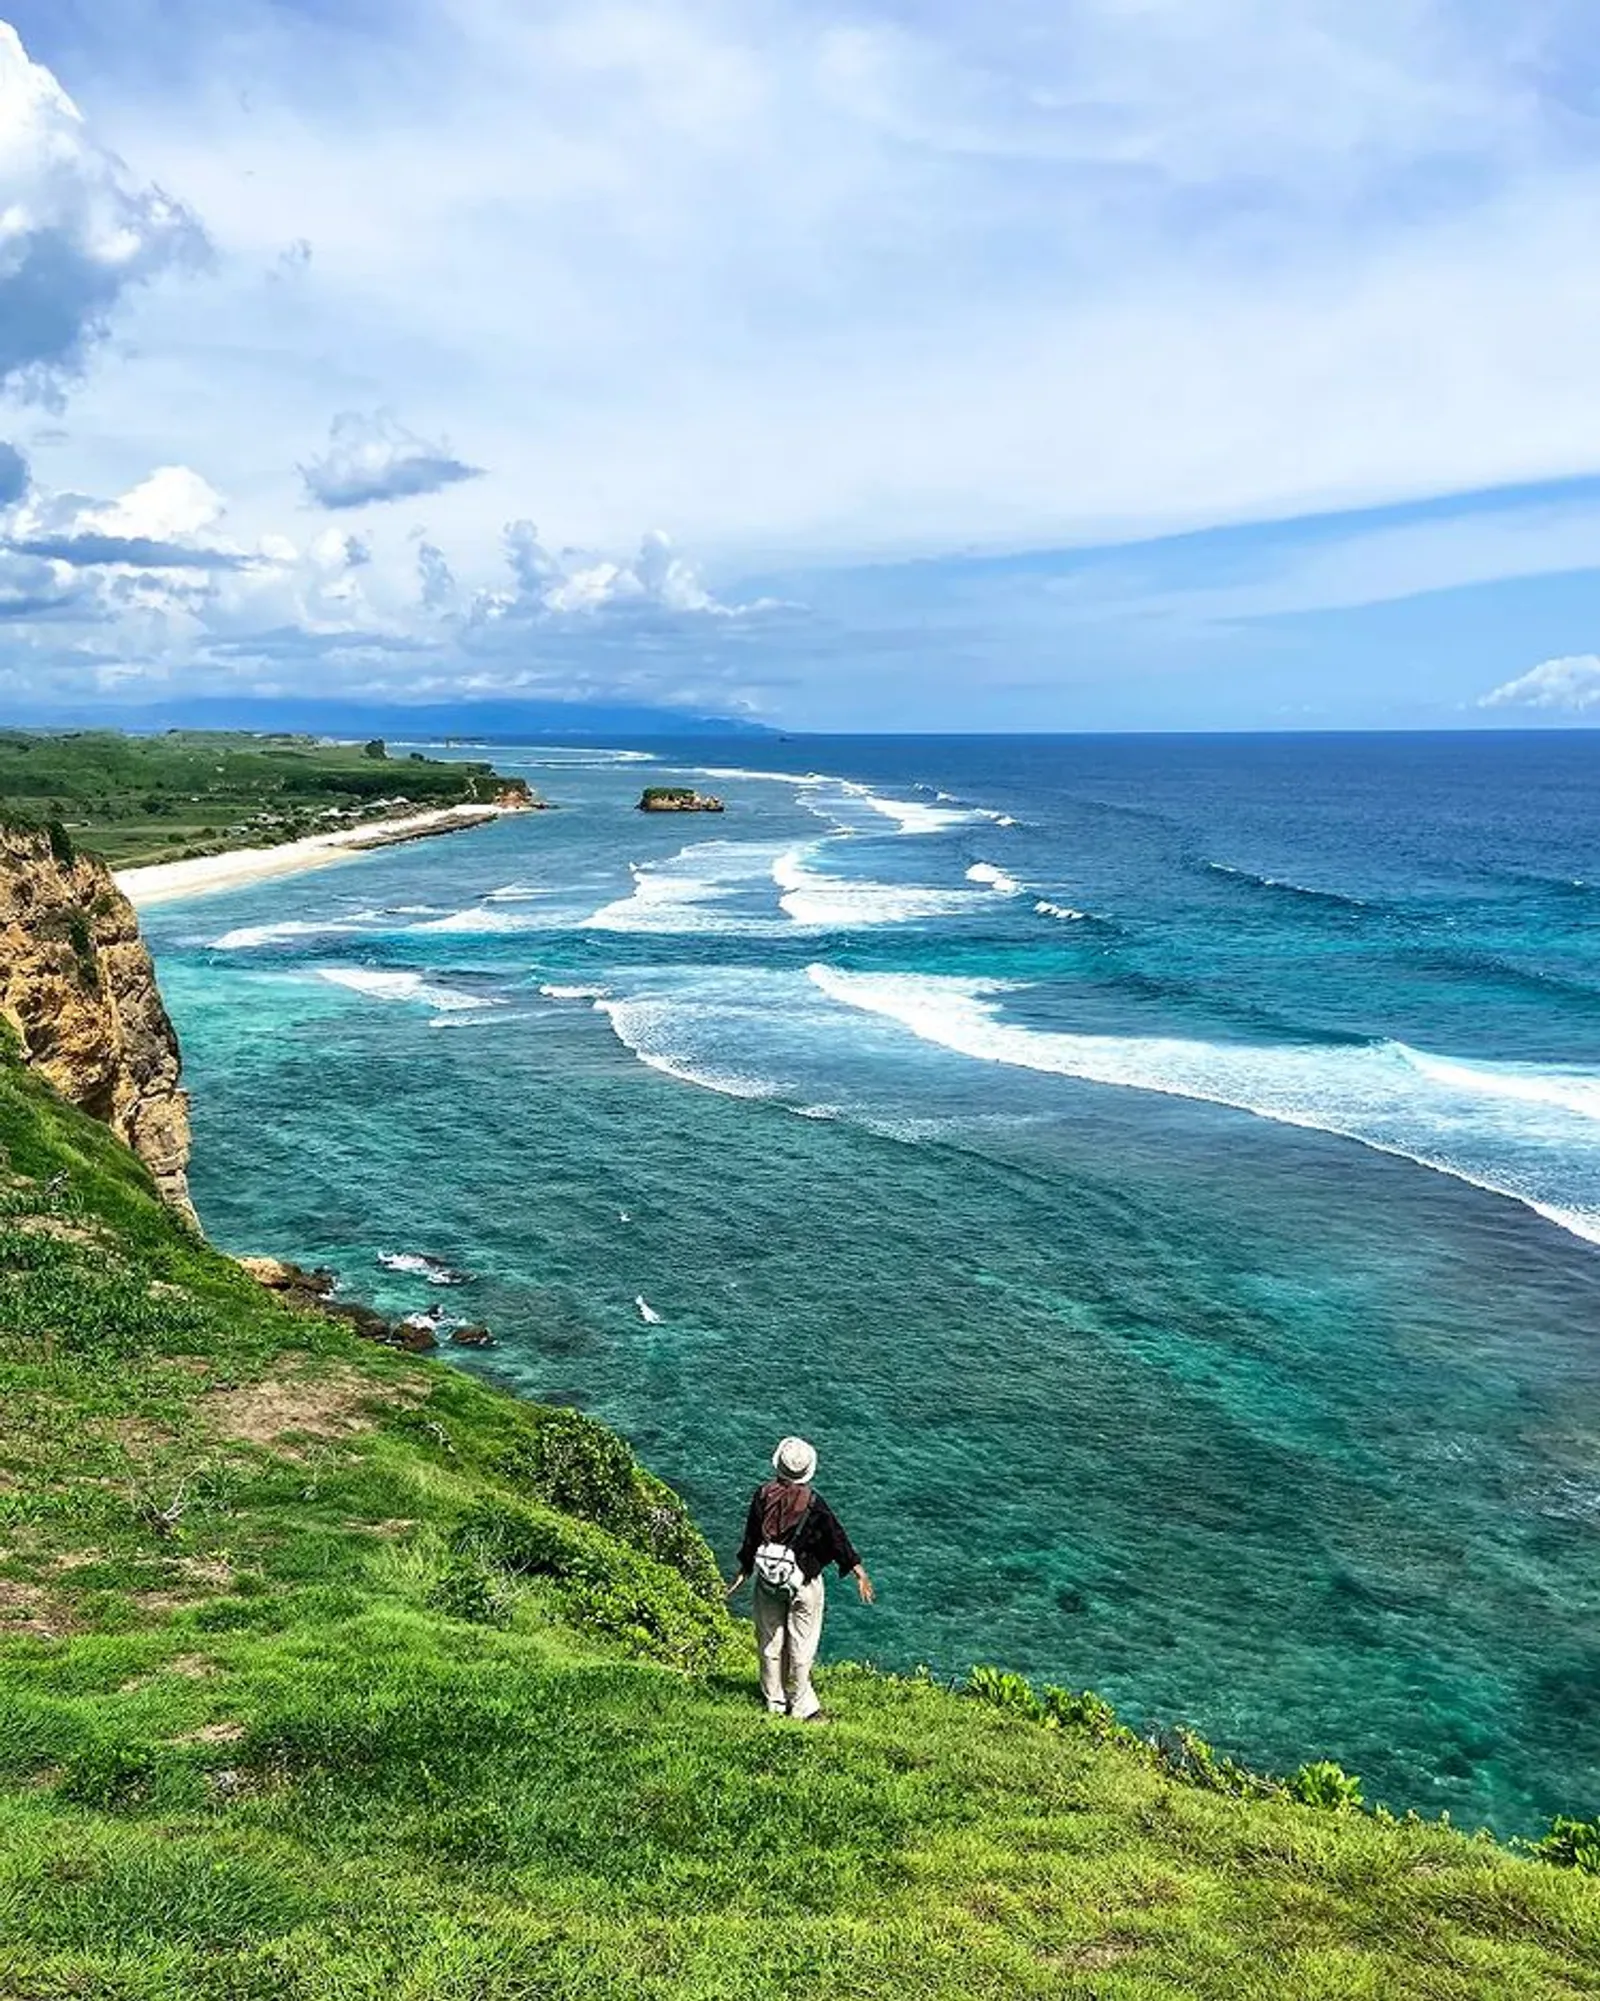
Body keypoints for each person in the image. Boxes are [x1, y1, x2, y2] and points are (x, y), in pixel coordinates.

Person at [725, 1434, 874, 1722]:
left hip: (769, 1579)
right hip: (803, 1581)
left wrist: (744, 1570)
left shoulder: (762, 1495)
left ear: (778, 1465)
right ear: (807, 1471)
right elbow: (836, 1538)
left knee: (770, 1640)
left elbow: (751, 1538)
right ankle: (802, 1706)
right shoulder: (814, 1503)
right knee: (801, 1643)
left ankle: (774, 1702)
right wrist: (858, 1571)